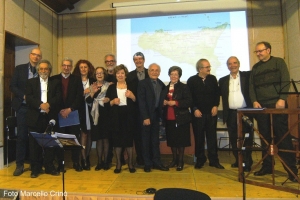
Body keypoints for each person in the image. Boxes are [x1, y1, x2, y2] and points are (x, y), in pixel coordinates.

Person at [249, 41, 298, 182]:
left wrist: (282, 99)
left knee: (283, 137)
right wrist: (254, 101)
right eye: (256, 52)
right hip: (262, 107)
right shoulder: (256, 67)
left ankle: (291, 170)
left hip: (277, 105)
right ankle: (267, 166)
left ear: (268, 50)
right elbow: (252, 87)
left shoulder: (278, 62)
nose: (258, 54)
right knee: (265, 138)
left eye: (260, 51)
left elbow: (285, 80)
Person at [25, 59, 61, 178]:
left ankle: (49, 167)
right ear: (38, 70)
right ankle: (36, 168)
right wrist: (41, 104)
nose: (43, 71)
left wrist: (48, 104)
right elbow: (29, 98)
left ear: (49, 70)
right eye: (41, 69)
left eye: (46, 69)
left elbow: (58, 97)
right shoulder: (31, 82)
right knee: (34, 145)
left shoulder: (55, 82)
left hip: (50, 118)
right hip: (35, 117)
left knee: (50, 144)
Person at [10, 48, 42, 176]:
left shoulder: (42, 71)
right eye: (34, 54)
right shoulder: (20, 69)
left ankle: (36, 165)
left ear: (40, 58)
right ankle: (20, 165)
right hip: (23, 108)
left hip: (36, 109)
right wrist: (24, 96)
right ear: (30, 55)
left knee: (35, 137)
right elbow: (12, 86)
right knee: (22, 137)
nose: (36, 57)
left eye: (38, 55)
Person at [187, 59, 224, 169]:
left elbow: (217, 94)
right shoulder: (192, 80)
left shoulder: (212, 79)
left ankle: (214, 160)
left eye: (209, 66)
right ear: (200, 69)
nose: (209, 69)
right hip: (198, 114)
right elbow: (190, 97)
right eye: (207, 67)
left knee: (212, 138)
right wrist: (194, 109)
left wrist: (215, 105)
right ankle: (200, 159)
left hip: (211, 114)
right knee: (199, 138)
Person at [219, 56, 253, 172]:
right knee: (234, 138)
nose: (232, 65)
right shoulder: (223, 80)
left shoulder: (247, 76)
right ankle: (238, 160)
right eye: (229, 64)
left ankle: (247, 162)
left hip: (245, 112)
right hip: (231, 114)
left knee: (247, 138)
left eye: (234, 63)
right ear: (227, 66)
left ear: (239, 64)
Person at [52, 58, 84, 172]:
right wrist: (60, 110)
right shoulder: (54, 79)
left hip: (72, 113)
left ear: (71, 67)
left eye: (69, 66)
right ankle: (60, 163)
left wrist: (70, 109)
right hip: (59, 114)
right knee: (60, 139)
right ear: (61, 66)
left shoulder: (76, 79)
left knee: (74, 139)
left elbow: (79, 97)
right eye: (64, 65)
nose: (66, 67)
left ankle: (76, 162)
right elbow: (52, 97)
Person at [138, 63, 169, 172]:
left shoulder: (161, 84)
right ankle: (147, 163)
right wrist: (145, 117)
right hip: (146, 116)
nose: (154, 72)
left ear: (159, 72)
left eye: (157, 70)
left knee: (155, 141)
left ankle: (157, 162)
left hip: (156, 116)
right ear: (148, 72)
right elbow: (141, 102)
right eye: (152, 70)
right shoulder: (143, 83)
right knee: (145, 141)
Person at [106, 64, 137, 173]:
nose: (120, 75)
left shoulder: (132, 86)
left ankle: (130, 164)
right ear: (115, 75)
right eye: (118, 73)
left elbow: (137, 102)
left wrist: (132, 96)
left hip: (129, 116)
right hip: (116, 117)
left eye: (122, 73)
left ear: (125, 75)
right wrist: (112, 102)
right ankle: (118, 163)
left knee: (129, 142)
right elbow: (106, 105)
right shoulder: (111, 87)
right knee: (117, 142)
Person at [161, 66, 192, 171]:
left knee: (181, 141)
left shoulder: (184, 87)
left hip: (181, 118)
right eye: (172, 74)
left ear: (179, 76)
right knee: (172, 140)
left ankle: (180, 161)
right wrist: (163, 102)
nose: (173, 76)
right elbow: (160, 100)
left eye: (176, 74)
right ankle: (174, 160)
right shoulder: (165, 87)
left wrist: (176, 102)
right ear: (169, 75)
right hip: (169, 118)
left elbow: (189, 101)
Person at [127, 52, 149, 166]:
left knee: (148, 136)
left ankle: (148, 159)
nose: (138, 61)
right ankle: (140, 158)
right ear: (134, 61)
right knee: (138, 137)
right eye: (136, 59)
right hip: (134, 111)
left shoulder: (150, 73)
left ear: (144, 60)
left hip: (148, 111)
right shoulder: (129, 76)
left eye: (140, 59)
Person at [72, 59, 95, 170]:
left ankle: (87, 156)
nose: (83, 69)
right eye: (81, 67)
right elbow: (73, 96)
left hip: (91, 110)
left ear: (89, 68)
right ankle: (83, 159)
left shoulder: (93, 80)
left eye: (85, 67)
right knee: (83, 134)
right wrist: (83, 92)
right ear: (78, 69)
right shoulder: (75, 80)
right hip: (79, 110)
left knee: (89, 133)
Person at [87, 67, 110, 170]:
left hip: (106, 115)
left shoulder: (109, 86)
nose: (99, 74)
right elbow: (87, 101)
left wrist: (108, 99)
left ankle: (106, 162)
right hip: (95, 116)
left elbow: (112, 99)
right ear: (95, 75)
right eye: (97, 73)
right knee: (99, 140)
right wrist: (92, 93)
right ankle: (99, 162)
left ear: (104, 74)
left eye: (101, 73)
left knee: (106, 139)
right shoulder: (92, 86)